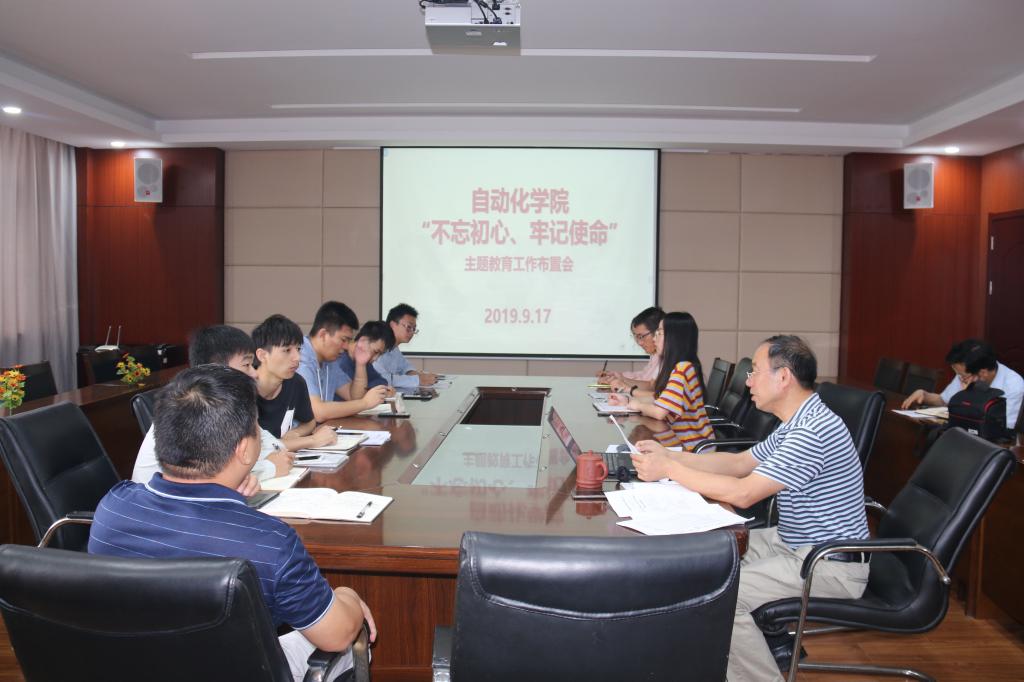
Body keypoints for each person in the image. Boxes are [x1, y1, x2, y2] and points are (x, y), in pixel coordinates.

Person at [89, 365, 376, 681]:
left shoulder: (113, 508)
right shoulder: (270, 542)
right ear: (244, 450)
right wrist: (347, 595)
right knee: (351, 641)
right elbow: (336, 636)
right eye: (256, 427)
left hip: (133, 665)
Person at [632, 335, 869, 682]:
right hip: (792, 542)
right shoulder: (797, 421)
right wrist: (671, 456)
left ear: (783, 377)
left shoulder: (812, 431)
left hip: (828, 563)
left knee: (722, 597)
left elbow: (744, 493)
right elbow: (740, 463)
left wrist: (670, 469)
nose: (748, 381)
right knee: (707, 555)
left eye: (755, 371)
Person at [131, 325, 295, 486]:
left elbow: (270, 445)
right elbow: (209, 478)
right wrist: (270, 467)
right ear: (217, 367)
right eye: (246, 365)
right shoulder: (197, 409)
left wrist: (273, 458)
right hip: (162, 500)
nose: (254, 373)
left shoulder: (226, 404)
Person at [607, 312, 713, 449]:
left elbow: (659, 412)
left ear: (674, 338)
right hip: (678, 442)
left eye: (659, 333)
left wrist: (637, 405)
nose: (654, 339)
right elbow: (659, 399)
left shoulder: (683, 369)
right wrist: (627, 402)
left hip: (691, 447)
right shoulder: (679, 367)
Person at [252, 314, 337, 451]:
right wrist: (312, 441)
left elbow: (309, 422)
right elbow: (256, 448)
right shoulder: (244, 389)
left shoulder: (296, 383)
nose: (297, 357)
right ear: (262, 355)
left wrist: (296, 433)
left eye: (298, 349)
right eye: (287, 350)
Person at [297, 301, 388, 422]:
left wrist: (360, 364)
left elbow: (353, 396)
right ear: (323, 335)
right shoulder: (300, 357)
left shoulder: (330, 361)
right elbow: (317, 412)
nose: (346, 346)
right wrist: (365, 403)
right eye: (343, 340)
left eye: (349, 341)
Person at [902, 339, 1023, 429]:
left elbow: (1003, 429)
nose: (960, 378)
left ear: (983, 373)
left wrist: (968, 396)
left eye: (962, 376)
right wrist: (925, 395)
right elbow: (944, 400)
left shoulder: (1014, 386)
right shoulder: (967, 372)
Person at [598, 306, 663, 393]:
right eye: (635, 337)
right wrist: (618, 376)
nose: (639, 343)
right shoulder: (655, 354)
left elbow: (652, 387)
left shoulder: (668, 357)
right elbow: (643, 376)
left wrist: (623, 381)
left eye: (641, 336)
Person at [374, 303, 437, 390]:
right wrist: (417, 380)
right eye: (408, 327)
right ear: (392, 325)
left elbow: (405, 366)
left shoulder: (394, 348)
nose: (412, 332)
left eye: (414, 329)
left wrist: (416, 374)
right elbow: (382, 379)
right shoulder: (378, 345)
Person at [336, 321, 395, 401]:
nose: (375, 359)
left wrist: (370, 390)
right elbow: (355, 397)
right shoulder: (339, 361)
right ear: (363, 340)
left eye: (380, 354)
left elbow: (381, 381)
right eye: (376, 352)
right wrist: (369, 391)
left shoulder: (366, 362)